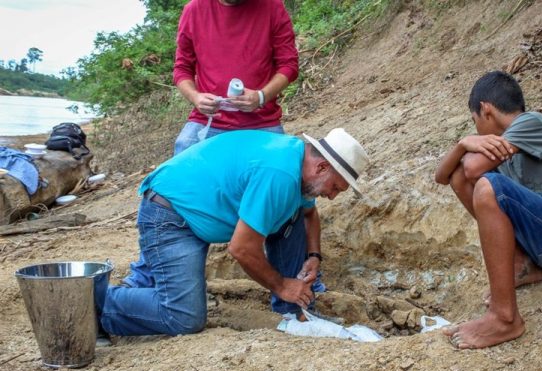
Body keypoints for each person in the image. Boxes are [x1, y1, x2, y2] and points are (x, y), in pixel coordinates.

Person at [98, 128, 370, 336]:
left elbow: (308, 213)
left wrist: (314, 255)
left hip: (195, 207)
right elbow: (241, 249)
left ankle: (293, 312)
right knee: (182, 317)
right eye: (335, 188)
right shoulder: (280, 174)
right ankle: (90, 302)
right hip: (172, 214)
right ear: (322, 167)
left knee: (294, 214)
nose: (333, 197)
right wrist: (281, 284)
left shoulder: (299, 165)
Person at [434, 71, 542, 349]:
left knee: (489, 186)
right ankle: (523, 265)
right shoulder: (504, 148)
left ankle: (504, 318)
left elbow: (474, 168)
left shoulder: (531, 123)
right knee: (461, 178)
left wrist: (469, 149)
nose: (475, 129)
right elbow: (444, 177)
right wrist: (462, 143)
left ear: (485, 110)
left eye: (473, 120)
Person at [172, 0, 299, 154]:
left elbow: (289, 65)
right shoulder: (193, 10)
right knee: (183, 163)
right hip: (208, 121)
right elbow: (182, 69)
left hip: (262, 121)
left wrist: (261, 96)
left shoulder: (272, 6)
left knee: (281, 170)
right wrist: (195, 97)